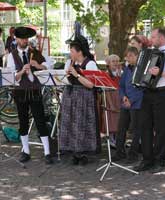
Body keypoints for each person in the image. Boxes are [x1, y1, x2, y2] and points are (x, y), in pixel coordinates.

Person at [135, 28, 165, 173]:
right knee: (145, 126)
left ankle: (159, 160)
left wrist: (161, 73)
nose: (151, 39)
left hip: (164, 93)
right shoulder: (149, 52)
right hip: (148, 92)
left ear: (161, 38)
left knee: (162, 128)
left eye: (153, 37)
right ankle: (147, 159)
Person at [6, 26, 53, 164]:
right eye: (21, 38)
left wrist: (38, 65)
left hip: (35, 91)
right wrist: (21, 71)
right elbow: (11, 76)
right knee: (23, 121)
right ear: (17, 39)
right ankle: (25, 151)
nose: (24, 41)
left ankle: (47, 152)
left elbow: (48, 67)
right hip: (20, 92)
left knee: (40, 120)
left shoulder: (36, 53)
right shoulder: (11, 55)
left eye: (26, 38)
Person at [59, 35, 98, 165]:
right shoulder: (69, 63)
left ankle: (83, 153)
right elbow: (63, 80)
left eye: (72, 51)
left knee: (82, 124)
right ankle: (73, 151)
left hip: (84, 97)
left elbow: (91, 85)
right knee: (70, 124)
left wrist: (76, 75)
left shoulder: (90, 64)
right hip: (70, 96)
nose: (70, 53)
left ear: (79, 51)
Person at [112, 47, 143, 163]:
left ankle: (133, 154)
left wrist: (132, 100)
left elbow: (142, 88)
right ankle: (120, 152)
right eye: (127, 56)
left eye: (130, 56)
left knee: (136, 130)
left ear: (137, 56)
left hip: (137, 104)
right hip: (125, 103)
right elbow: (121, 86)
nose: (128, 58)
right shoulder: (127, 69)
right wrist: (123, 97)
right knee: (121, 128)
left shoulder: (141, 69)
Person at [99, 54, 121, 148]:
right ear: (108, 63)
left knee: (119, 120)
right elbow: (106, 90)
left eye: (117, 61)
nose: (116, 63)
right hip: (110, 98)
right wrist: (110, 103)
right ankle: (112, 140)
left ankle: (118, 140)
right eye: (113, 61)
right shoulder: (106, 74)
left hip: (119, 97)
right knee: (111, 120)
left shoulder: (120, 73)